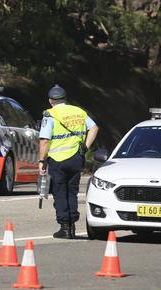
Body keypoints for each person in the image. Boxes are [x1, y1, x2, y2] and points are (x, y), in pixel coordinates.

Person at [37, 84, 99, 239]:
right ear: (65, 99)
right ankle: (72, 227)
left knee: (60, 193)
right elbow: (94, 128)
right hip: (76, 158)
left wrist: (41, 160)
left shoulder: (49, 115)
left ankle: (64, 227)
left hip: (57, 160)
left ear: (51, 100)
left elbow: (44, 141)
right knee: (72, 192)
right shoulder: (79, 112)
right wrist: (85, 147)